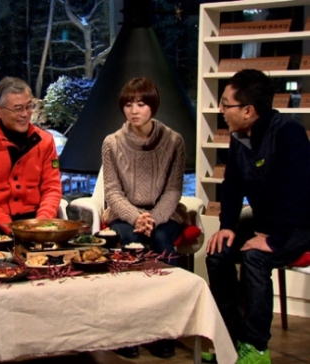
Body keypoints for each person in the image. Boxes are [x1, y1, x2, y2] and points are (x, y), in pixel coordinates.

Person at [206, 69, 310, 364]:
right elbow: (232, 185)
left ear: (248, 110)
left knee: (255, 258)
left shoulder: (288, 133)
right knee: (217, 253)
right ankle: (231, 337)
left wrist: (274, 241)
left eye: (227, 104)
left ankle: (256, 346)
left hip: (300, 224)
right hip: (265, 221)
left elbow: (299, 193)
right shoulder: (239, 137)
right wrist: (227, 227)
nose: (222, 110)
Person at [101, 77, 187, 359]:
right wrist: (137, 218)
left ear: (153, 106)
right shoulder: (111, 143)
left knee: (164, 243)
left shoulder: (174, 141)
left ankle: (163, 329)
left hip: (164, 212)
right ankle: (126, 330)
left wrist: (154, 218)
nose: (134, 110)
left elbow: (174, 189)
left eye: (140, 104)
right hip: (124, 213)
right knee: (129, 243)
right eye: (128, 104)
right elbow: (112, 192)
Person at [0, 76, 62, 241]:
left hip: (35, 218)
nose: (25, 114)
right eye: (18, 109)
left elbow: (52, 188)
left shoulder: (45, 141)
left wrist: (41, 222)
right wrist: (9, 227)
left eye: (29, 107)